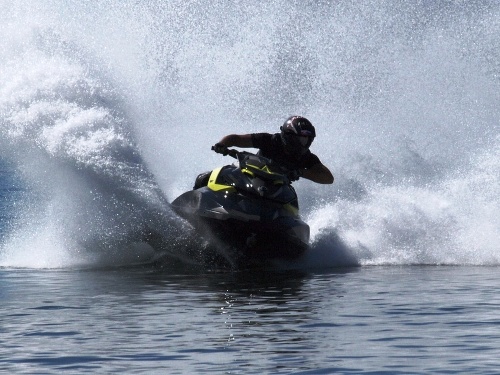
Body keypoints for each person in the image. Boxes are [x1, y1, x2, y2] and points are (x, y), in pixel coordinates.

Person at [212, 116, 334, 184]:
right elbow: (235, 139)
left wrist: (301, 172)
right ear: (289, 136)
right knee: (220, 173)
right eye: (301, 139)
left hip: (277, 191)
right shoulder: (269, 140)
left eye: (307, 140)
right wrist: (222, 144)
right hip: (249, 179)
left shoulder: (307, 157)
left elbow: (328, 178)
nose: (304, 144)